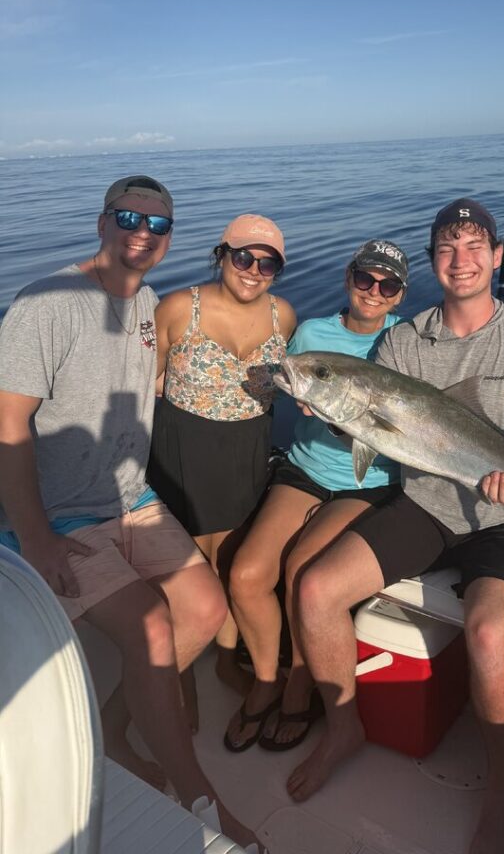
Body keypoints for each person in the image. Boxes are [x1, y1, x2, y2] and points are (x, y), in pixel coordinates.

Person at [286, 199, 504, 854]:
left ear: (498, 257)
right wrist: (329, 404)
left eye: (475, 246)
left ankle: (501, 794)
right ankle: (345, 726)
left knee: (491, 637)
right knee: (315, 590)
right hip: (429, 505)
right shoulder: (404, 340)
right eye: (447, 247)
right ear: (433, 260)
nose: (461, 259)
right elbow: (374, 429)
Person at [0, 176, 255, 848]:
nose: (143, 232)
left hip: (130, 498)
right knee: (149, 628)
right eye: (128, 217)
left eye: (159, 224)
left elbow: (157, 374)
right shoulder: (46, 304)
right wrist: (37, 538)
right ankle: (201, 801)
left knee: (205, 610)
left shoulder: (146, 304)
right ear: (101, 222)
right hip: (59, 517)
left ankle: (110, 728)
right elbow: (7, 421)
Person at [225, 239, 408, 753]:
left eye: (387, 285)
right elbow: (290, 379)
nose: (373, 291)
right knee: (245, 574)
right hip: (304, 470)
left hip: (366, 483)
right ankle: (266, 680)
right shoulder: (312, 333)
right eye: (365, 279)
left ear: (399, 296)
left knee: (302, 572)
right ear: (348, 278)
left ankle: (300, 687)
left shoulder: (405, 340)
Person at [148, 214, 296, 716]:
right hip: (183, 453)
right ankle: (180, 676)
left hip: (247, 453)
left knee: (230, 563)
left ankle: (227, 660)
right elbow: (149, 381)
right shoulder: (175, 308)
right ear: (222, 255)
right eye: (243, 257)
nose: (254, 270)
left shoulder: (285, 317)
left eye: (268, 263)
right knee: (184, 573)